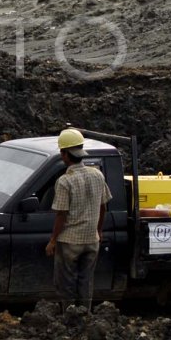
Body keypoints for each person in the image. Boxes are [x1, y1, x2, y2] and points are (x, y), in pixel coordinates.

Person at [45, 128, 111, 313]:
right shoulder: (98, 175)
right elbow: (103, 206)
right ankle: (85, 316)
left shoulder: (65, 181)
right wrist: (99, 231)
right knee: (86, 281)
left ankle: (70, 317)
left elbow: (61, 214)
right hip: (92, 240)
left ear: (65, 155)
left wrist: (52, 241)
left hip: (70, 241)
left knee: (66, 282)